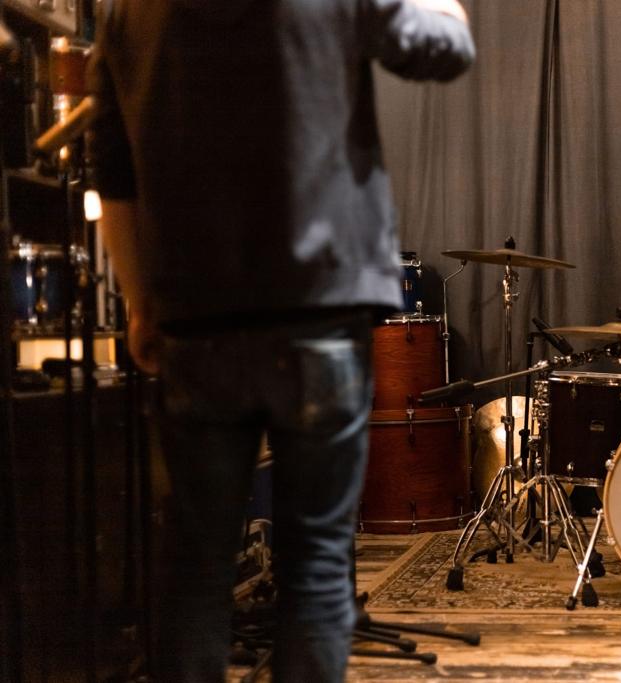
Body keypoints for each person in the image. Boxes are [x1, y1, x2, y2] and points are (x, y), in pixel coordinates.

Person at [87, 1, 474, 680]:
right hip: (319, 307)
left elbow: (112, 175)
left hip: (196, 315)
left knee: (195, 569)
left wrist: (139, 302)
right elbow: (445, 48)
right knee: (316, 567)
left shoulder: (127, 12)